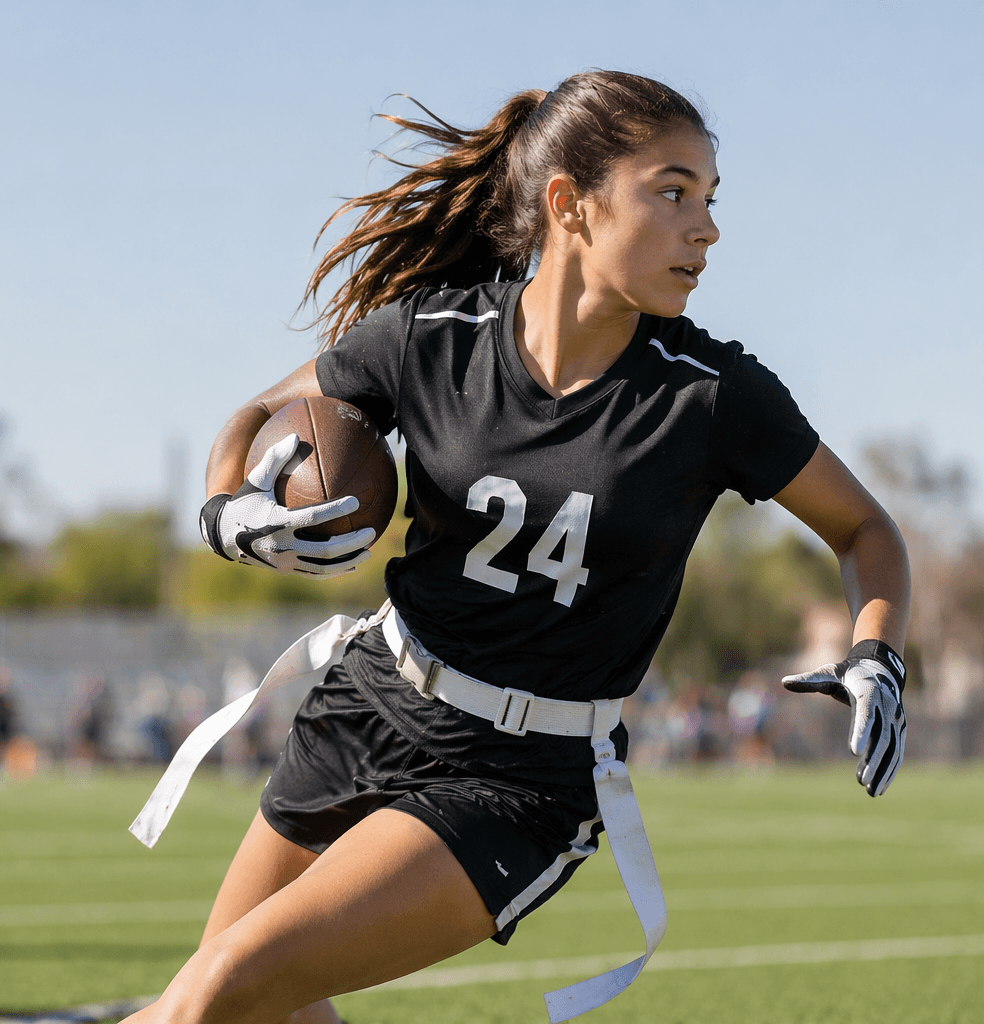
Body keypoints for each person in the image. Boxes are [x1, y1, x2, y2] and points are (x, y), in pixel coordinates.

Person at [124, 71, 912, 1024]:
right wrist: (222, 506)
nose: (705, 229)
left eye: (710, 200)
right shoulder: (434, 335)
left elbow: (865, 527)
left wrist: (876, 654)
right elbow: (256, 412)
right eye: (672, 192)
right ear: (568, 203)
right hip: (371, 699)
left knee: (219, 988)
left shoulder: (711, 395)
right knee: (253, 1005)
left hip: (519, 774)